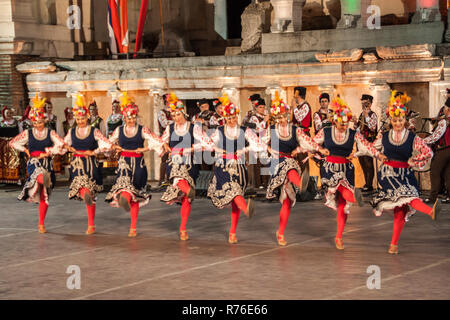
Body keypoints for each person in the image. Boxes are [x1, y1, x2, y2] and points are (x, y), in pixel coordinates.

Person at [372, 91, 439, 254]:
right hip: (388, 173)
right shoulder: (384, 135)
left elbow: (428, 153)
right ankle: (430, 211)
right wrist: (379, 154)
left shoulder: (412, 137)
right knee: (408, 195)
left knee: (401, 209)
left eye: (400, 120)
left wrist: (414, 161)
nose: (397, 123)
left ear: (405, 120)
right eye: (395, 120)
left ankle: (393, 245)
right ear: (391, 120)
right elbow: (372, 147)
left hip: (405, 173)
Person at [314, 96, 383, 250]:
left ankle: (339, 236)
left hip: (346, 169)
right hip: (330, 169)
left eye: (346, 122)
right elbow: (311, 143)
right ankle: (358, 199)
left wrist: (379, 155)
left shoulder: (353, 133)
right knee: (343, 193)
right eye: (340, 122)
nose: (343, 125)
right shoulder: (325, 131)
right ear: (335, 120)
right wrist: (320, 150)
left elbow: (367, 146)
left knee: (343, 206)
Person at [263, 92, 328, 246]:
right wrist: (268, 148)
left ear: (287, 114)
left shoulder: (295, 129)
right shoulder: (271, 129)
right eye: (279, 117)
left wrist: (319, 149)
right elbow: (259, 142)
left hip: (290, 159)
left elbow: (307, 142)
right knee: (289, 167)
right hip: (278, 163)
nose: (282, 120)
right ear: (275, 118)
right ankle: (301, 184)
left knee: (287, 202)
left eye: (284, 116)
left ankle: (280, 232)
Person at [204, 94, 266, 244]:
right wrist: (219, 150)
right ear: (224, 118)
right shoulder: (219, 130)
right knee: (233, 191)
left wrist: (244, 150)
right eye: (228, 118)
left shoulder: (245, 130)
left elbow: (259, 144)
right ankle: (246, 209)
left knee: (235, 199)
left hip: (239, 167)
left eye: (233, 117)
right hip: (223, 166)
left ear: (236, 116)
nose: (231, 121)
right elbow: (207, 144)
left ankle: (232, 232)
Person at [105, 92, 165, 237]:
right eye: (128, 117)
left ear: (136, 116)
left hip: (138, 164)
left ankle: (133, 227)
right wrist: (114, 148)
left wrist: (144, 148)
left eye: (133, 117)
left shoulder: (142, 129)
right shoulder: (119, 130)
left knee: (136, 194)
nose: (130, 120)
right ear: (124, 117)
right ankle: (124, 199)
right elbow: (107, 143)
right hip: (124, 162)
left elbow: (157, 141)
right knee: (125, 187)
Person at [9, 94, 65, 233]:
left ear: (44, 121)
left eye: (40, 122)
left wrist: (49, 152)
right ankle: (41, 179)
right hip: (34, 162)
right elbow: (12, 142)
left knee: (44, 196)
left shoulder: (50, 132)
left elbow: (61, 145)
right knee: (39, 173)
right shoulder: (28, 133)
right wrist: (26, 150)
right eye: (35, 123)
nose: (37, 125)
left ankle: (41, 223)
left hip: (47, 163)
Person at [160, 94, 210, 240]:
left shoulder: (193, 128)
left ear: (184, 113)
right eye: (173, 115)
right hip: (175, 161)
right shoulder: (170, 128)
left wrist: (192, 148)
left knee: (186, 200)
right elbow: (161, 140)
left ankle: (183, 227)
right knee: (178, 177)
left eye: (178, 114)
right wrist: (165, 145)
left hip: (190, 163)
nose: (176, 117)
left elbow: (206, 142)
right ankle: (188, 190)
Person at [63, 95, 112, 235]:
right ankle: (87, 202)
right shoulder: (72, 131)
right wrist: (69, 148)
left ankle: (91, 224)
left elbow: (106, 144)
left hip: (91, 164)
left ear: (87, 118)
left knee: (91, 193)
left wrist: (95, 151)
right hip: (78, 164)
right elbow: (63, 143)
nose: (80, 121)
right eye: (78, 119)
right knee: (83, 187)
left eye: (82, 119)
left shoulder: (94, 131)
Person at [423, 97, 450, 205]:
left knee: (435, 171)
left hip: (443, 150)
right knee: (448, 174)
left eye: (445, 108)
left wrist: (422, 140)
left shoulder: (444, 121)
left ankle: (432, 198)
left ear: (447, 109)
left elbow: (435, 136)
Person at [356, 94, 378, 192]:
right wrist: (355, 124)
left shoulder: (372, 114)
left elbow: (372, 127)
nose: (364, 104)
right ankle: (366, 183)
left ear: (370, 103)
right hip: (360, 141)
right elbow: (359, 127)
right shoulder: (361, 114)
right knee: (362, 162)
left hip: (368, 141)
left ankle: (369, 185)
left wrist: (366, 116)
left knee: (368, 162)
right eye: (363, 102)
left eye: (366, 103)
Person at [0, 106, 21, 184]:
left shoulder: (17, 122)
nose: (9, 114)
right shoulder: (1, 122)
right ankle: (4, 179)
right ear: (4, 114)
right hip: (3, 145)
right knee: (3, 161)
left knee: (14, 161)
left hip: (13, 144)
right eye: (7, 113)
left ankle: (14, 178)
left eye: (10, 113)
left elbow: (20, 133)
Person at [157, 94, 173, 188]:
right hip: (165, 139)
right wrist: (175, 121)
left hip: (175, 138)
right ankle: (162, 180)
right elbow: (164, 124)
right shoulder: (161, 112)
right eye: (169, 101)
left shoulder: (175, 111)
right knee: (164, 159)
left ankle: (171, 179)